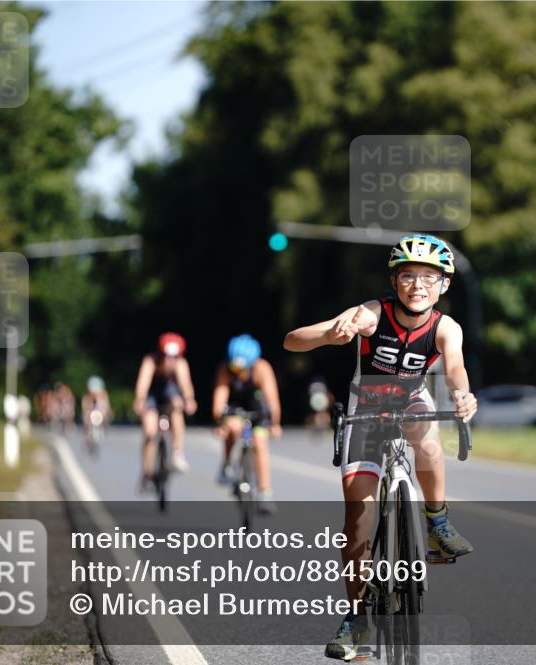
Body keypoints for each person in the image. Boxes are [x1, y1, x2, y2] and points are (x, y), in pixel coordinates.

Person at [283, 234, 478, 661]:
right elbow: (293, 340)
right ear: (395, 280)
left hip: (410, 397)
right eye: (408, 276)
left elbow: (456, 367)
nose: (418, 285)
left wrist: (463, 394)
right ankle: (356, 617)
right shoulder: (372, 314)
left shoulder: (446, 327)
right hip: (366, 403)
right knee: (358, 514)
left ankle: (437, 521)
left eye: (429, 277)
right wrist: (332, 334)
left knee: (427, 438)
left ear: (444, 284)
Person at [211, 334, 283, 514]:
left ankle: (265, 491)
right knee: (233, 427)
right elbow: (219, 399)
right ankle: (227, 464)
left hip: (257, 407)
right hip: (234, 407)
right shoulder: (225, 369)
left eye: (242, 368)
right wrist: (220, 422)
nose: (238, 372)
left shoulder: (262, 368)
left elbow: (272, 400)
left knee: (260, 442)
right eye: (235, 367)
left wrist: (275, 424)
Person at [133, 333, 198, 486]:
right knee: (149, 431)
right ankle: (147, 471)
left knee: (176, 406)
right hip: (152, 395)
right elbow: (143, 383)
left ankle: (177, 453)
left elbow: (186, 385)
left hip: (169, 394)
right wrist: (140, 400)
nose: (170, 361)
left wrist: (189, 400)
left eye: (174, 357)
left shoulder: (180, 364)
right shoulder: (151, 361)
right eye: (166, 356)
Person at [81, 376, 112, 446]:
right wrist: (85, 412)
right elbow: (85, 406)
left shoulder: (103, 395)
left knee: (105, 417)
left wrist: (106, 411)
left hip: (99, 410)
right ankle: (86, 431)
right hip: (91, 411)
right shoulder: (87, 396)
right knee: (86, 419)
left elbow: (106, 405)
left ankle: (104, 427)